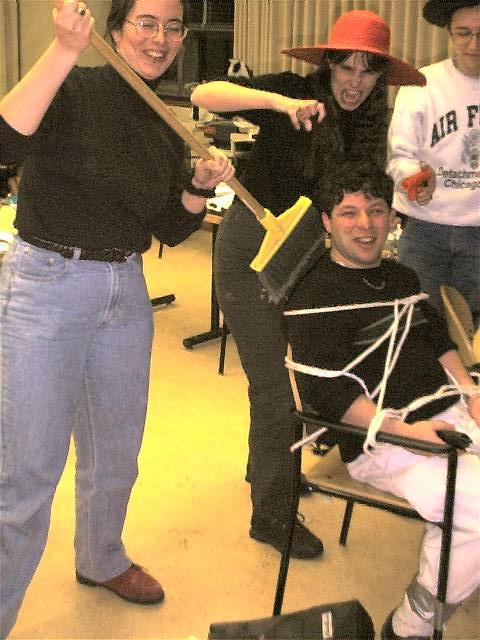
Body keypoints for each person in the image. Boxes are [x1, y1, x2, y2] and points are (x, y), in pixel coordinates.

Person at [0, 0, 234, 636]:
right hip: (46, 283)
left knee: (116, 450)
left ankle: (100, 558)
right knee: (27, 472)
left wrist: (197, 186)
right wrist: (62, 50)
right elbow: (5, 142)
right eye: (146, 23)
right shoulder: (73, 85)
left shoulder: (163, 119)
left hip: (123, 288)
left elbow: (169, 227)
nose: (161, 38)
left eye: (173, 26)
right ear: (116, 29)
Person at [190, 9, 426, 559]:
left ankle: (267, 469)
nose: (354, 81)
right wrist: (280, 105)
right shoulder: (295, 95)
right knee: (274, 387)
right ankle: (270, 515)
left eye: (368, 71)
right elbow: (204, 93)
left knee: (301, 375)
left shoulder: (368, 125)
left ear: (381, 78)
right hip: (251, 253)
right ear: (328, 64)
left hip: (304, 260)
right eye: (346, 66)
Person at [284, 162, 480, 640]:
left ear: (392, 217)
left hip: (447, 410)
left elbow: (436, 340)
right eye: (348, 213)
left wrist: (472, 393)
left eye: (375, 210)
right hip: (381, 441)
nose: (365, 225)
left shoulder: (401, 277)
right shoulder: (313, 295)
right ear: (326, 222)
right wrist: (409, 433)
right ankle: (409, 627)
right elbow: (330, 395)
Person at [387, 0, 480, 325]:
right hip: (425, 229)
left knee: (470, 335)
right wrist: (415, 180)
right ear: (449, 33)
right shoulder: (421, 84)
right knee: (414, 325)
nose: (474, 45)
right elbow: (400, 155)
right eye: (464, 33)